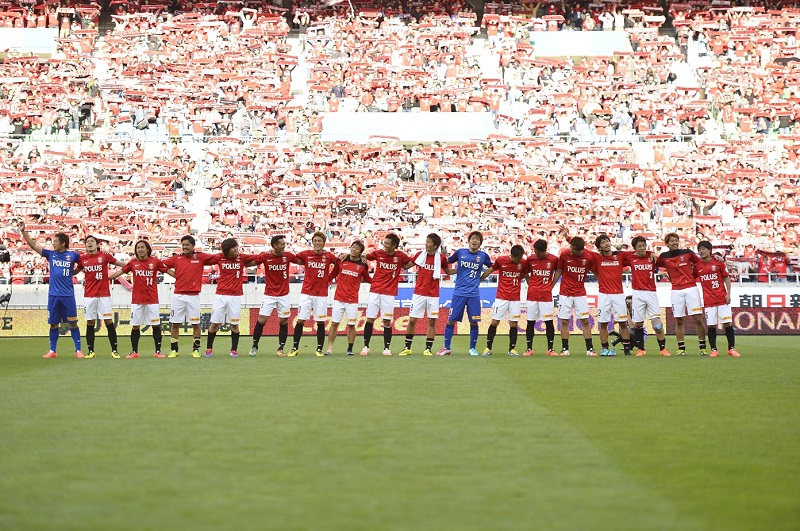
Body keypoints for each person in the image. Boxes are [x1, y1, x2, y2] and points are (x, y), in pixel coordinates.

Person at [20, 221, 84, 358]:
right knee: (54, 323)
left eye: (55, 242)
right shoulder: (51, 254)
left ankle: (78, 350)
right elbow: (33, 245)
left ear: (62, 243)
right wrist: (23, 232)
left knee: (73, 322)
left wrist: (75, 272)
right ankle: (52, 351)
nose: (53, 244)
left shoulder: (73, 256)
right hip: (53, 295)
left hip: (68, 295)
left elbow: (83, 263)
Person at [109, 240, 169, 358]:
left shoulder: (155, 262)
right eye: (138, 248)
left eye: (142, 247)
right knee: (135, 325)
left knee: (155, 325)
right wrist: (107, 278)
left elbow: (167, 271)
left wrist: (180, 277)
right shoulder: (133, 263)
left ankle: (158, 351)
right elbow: (121, 271)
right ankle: (134, 352)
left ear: (147, 249)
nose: (140, 250)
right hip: (137, 300)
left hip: (152, 299)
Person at [437, 231, 493, 356]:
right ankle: (447, 347)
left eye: (477, 239)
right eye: (472, 239)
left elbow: (492, 267)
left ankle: (472, 348)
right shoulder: (460, 252)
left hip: (474, 294)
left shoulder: (483, 256)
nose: (474, 241)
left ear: (480, 243)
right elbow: (447, 261)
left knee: (474, 322)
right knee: (451, 320)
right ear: (469, 240)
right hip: (459, 293)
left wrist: (481, 278)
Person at [399, 233, 453, 357]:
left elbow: (448, 271)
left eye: (429, 242)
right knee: (412, 320)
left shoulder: (442, 258)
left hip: (433, 294)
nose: (426, 244)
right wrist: (396, 259)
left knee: (432, 321)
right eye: (426, 241)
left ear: (435, 245)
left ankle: (428, 348)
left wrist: (463, 269)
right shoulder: (420, 255)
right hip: (419, 292)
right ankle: (407, 347)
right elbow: (407, 265)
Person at [360, 233, 414, 356]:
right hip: (375, 290)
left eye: (388, 244)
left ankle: (386, 348)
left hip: (389, 293)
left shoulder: (400, 256)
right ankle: (366, 346)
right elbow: (364, 257)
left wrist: (417, 261)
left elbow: (408, 264)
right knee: (370, 319)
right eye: (384, 243)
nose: (385, 245)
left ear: (394, 245)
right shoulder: (378, 253)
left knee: (387, 321)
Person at [162, 235, 214, 358]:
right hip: (178, 295)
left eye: (187, 245)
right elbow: (160, 265)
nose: (184, 247)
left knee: (196, 324)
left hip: (194, 296)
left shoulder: (200, 257)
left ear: (193, 246)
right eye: (183, 245)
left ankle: (195, 349)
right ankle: (174, 350)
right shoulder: (176, 258)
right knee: (175, 323)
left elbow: (217, 258)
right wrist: (173, 274)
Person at [289, 231, 340, 356]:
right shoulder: (306, 254)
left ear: (323, 243)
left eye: (319, 241)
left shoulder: (328, 256)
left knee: (320, 322)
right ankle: (295, 348)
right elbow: (293, 258)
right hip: (306, 293)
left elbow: (338, 264)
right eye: (315, 241)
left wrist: (329, 278)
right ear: (313, 242)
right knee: (300, 320)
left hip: (321, 294)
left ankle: (319, 349)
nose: (317, 243)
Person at [205, 238, 257, 357]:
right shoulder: (219, 258)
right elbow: (205, 260)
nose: (236, 249)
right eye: (233, 247)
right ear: (227, 249)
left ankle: (234, 350)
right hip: (221, 295)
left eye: (237, 247)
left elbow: (258, 259)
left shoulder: (242, 258)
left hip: (235, 296)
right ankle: (209, 348)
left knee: (234, 324)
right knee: (214, 323)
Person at [657, 232, 707, 356]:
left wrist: (693, 275)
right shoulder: (663, 256)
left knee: (697, 319)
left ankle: (702, 347)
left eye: (676, 240)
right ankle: (681, 348)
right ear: (667, 244)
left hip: (691, 288)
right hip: (676, 290)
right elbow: (651, 262)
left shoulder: (687, 253)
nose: (674, 242)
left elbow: (700, 263)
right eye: (672, 241)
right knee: (679, 320)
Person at [76, 235, 125, 358]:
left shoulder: (105, 256)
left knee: (108, 321)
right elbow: (75, 272)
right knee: (90, 322)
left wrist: (134, 265)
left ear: (98, 245)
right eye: (87, 242)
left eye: (92, 241)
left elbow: (122, 264)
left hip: (104, 294)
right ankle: (91, 351)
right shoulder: (83, 259)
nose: (90, 243)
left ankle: (114, 350)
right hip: (89, 295)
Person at [622, 236, 670, 356]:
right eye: (639, 246)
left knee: (657, 324)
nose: (642, 248)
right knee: (638, 324)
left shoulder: (651, 257)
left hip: (651, 293)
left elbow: (665, 262)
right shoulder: (631, 258)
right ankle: (641, 349)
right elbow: (619, 257)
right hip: (637, 294)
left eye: (644, 246)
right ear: (635, 248)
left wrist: (652, 253)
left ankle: (663, 349)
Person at [250, 235, 297, 357]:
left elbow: (303, 261)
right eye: (282, 244)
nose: (284, 246)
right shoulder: (266, 256)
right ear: (275, 245)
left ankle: (280, 348)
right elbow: (250, 263)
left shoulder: (288, 256)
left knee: (284, 321)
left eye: (284, 244)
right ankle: (255, 346)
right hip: (269, 294)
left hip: (284, 295)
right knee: (262, 320)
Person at [552, 236, 597, 356]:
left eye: (574, 249)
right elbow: (559, 271)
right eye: (571, 248)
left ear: (581, 250)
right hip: (565, 293)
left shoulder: (588, 257)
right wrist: (551, 286)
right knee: (565, 321)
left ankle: (590, 349)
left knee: (585, 321)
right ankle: (565, 349)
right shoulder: (565, 254)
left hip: (580, 293)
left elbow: (595, 272)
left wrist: (603, 283)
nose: (571, 251)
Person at [589, 234, 633, 356]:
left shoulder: (619, 256)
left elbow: (637, 252)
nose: (607, 244)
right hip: (604, 295)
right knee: (603, 323)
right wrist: (568, 237)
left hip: (618, 294)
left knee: (623, 323)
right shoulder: (597, 258)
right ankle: (604, 348)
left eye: (607, 241)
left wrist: (650, 252)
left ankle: (627, 349)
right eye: (603, 242)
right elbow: (582, 249)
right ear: (599, 247)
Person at [695, 241, 740, 357]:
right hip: (709, 301)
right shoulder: (698, 265)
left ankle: (731, 349)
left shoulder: (718, 262)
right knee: (711, 325)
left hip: (722, 298)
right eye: (699, 249)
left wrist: (728, 294)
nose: (701, 251)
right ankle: (714, 350)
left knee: (727, 323)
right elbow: (690, 276)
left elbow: (727, 279)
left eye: (704, 249)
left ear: (710, 250)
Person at [325, 240, 371, 356]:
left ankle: (350, 349)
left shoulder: (362, 265)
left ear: (360, 252)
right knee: (335, 323)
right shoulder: (342, 260)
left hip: (352, 300)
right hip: (339, 298)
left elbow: (368, 279)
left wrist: (380, 283)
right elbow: (333, 274)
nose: (353, 249)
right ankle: (330, 347)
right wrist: (323, 282)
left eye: (357, 248)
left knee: (351, 325)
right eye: (353, 247)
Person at [480, 244, 526, 356]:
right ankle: (488, 348)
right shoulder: (501, 260)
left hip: (515, 299)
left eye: (521, 258)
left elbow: (525, 275)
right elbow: (490, 270)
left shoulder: (523, 263)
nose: (519, 260)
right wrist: (480, 279)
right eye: (518, 258)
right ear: (512, 256)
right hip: (501, 298)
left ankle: (512, 349)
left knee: (514, 324)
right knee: (495, 322)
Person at [523, 239, 559, 356]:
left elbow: (559, 271)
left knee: (548, 322)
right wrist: (530, 283)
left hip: (546, 296)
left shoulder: (553, 259)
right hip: (532, 295)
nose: (536, 254)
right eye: (535, 251)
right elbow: (524, 272)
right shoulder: (531, 259)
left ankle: (550, 349)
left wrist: (551, 285)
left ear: (545, 251)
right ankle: (529, 349)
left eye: (538, 252)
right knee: (530, 322)